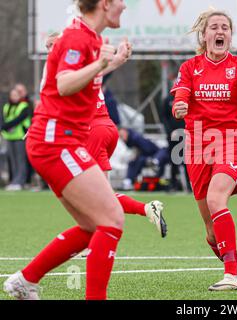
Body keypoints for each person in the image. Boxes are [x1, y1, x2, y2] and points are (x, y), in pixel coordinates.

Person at [3, 0, 129, 300]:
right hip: (54, 142)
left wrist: (113, 63)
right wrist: (101, 63)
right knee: (111, 218)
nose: (124, 6)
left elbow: (80, 81)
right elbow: (64, 84)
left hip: (61, 141)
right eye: (120, 0)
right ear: (104, 4)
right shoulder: (78, 37)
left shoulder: (88, 37)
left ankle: (25, 280)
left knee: (91, 226)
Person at [171, 9, 237, 291]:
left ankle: (231, 275)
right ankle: (236, 265)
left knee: (216, 199)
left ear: (230, 35)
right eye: (214, 27)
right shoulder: (189, 68)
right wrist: (179, 107)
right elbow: (179, 100)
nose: (220, 31)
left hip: (231, 140)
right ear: (204, 34)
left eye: (225, 27)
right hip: (197, 145)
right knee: (211, 233)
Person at [44, 27, 167, 236]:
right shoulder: (81, 67)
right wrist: (117, 58)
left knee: (90, 196)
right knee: (101, 194)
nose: (50, 50)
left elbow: (60, 103)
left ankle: (92, 236)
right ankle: (146, 209)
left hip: (94, 131)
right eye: (48, 46)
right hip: (106, 128)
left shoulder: (66, 71)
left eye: (54, 45)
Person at [1, 88, 32, 190]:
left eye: (16, 95)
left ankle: (20, 181)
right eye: (12, 95)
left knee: (20, 160)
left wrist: (6, 126)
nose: (14, 97)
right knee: (12, 160)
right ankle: (14, 181)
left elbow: (18, 119)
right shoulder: (6, 106)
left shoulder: (24, 106)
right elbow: (3, 119)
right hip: (9, 137)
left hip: (20, 137)